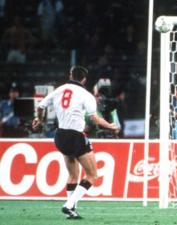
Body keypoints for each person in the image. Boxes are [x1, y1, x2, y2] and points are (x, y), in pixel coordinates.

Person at [32, 66, 118, 219]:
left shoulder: (59, 90)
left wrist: (40, 120)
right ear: (84, 79)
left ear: (70, 75)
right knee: (92, 175)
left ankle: (72, 210)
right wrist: (110, 125)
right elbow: (94, 118)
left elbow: (41, 106)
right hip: (75, 137)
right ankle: (69, 204)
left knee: (73, 175)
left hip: (60, 136)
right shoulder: (86, 95)